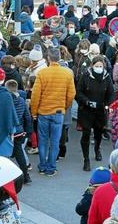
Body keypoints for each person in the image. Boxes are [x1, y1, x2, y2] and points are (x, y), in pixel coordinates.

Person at [31, 47, 76, 176]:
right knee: (55, 141)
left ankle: (42, 166)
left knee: (43, 140)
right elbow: (71, 94)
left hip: (43, 112)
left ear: (48, 58)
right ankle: (51, 167)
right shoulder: (67, 74)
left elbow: (35, 95)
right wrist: (65, 106)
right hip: (58, 112)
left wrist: (34, 112)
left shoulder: (42, 73)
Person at [76, 56, 114, 171]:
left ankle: (97, 149)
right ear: (92, 66)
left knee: (98, 133)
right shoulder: (86, 76)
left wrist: (107, 104)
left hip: (100, 110)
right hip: (86, 110)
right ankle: (86, 159)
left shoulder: (107, 77)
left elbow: (111, 93)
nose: (98, 68)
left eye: (100, 66)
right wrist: (86, 101)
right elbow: (79, 92)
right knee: (86, 134)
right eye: (96, 66)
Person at [5, 79, 33, 184]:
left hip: (8, 131)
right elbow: (27, 117)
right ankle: (26, 176)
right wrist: (28, 131)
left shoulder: (6, 101)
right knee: (19, 153)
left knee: (6, 154)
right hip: (19, 131)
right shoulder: (21, 100)